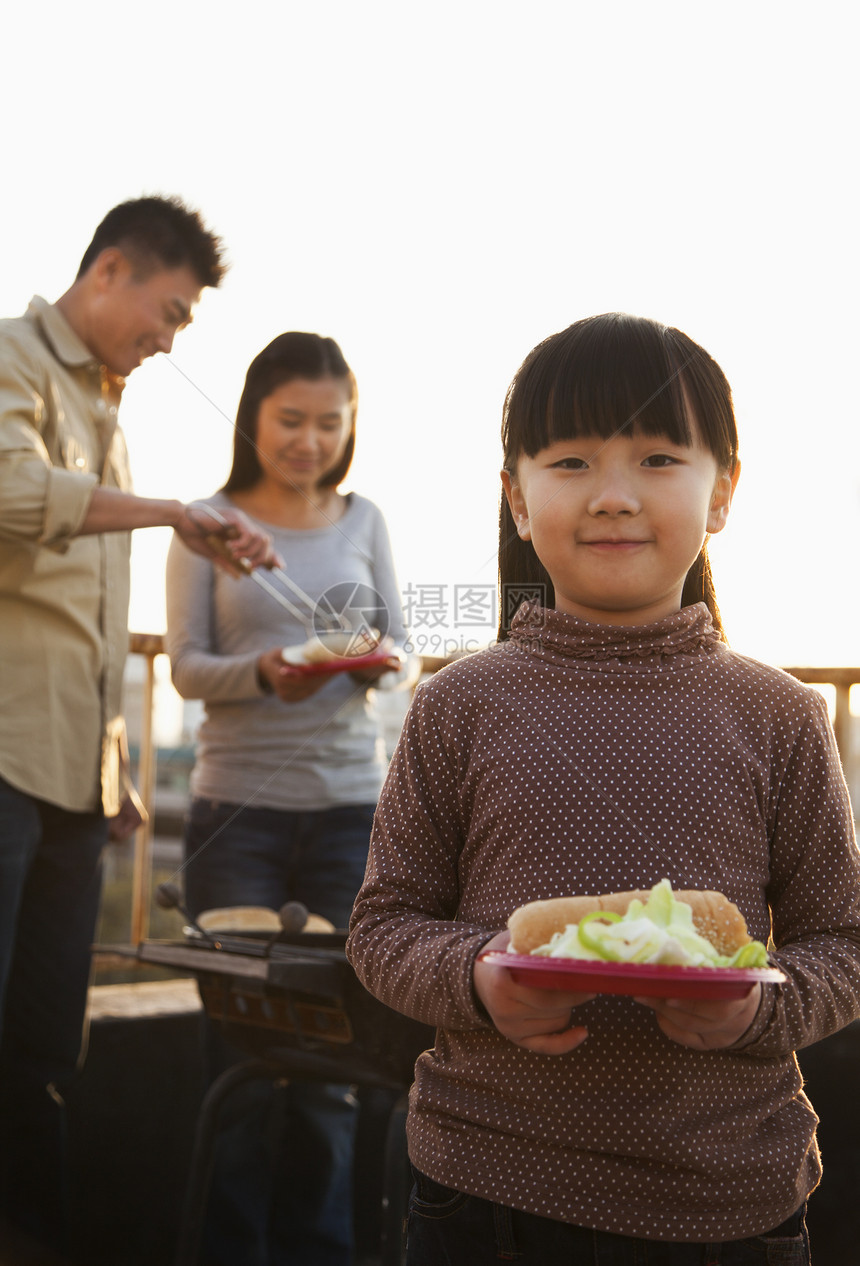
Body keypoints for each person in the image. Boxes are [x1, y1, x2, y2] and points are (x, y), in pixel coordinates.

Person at [347, 312, 860, 1265]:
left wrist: (762, 1008)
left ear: (723, 493)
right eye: (572, 462)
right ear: (515, 496)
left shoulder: (780, 714)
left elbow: (843, 939)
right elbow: (384, 927)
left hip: (729, 1206)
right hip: (486, 1191)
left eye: (660, 459)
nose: (615, 497)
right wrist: (478, 980)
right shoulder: (456, 704)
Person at [0, 195, 276, 1263]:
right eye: (165, 314)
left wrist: (111, 763)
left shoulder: (108, 414)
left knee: (40, 1048)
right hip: (3, 762)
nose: (168, 340)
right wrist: (171, 512)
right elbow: (14, 493)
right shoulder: (15, 363)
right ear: (108, 270)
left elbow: (90, 620)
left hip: (68, 779)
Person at [165, 331, 414, 1266]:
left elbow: (406, 654)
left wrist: (372, 666)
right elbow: (187, 669)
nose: (309, 440)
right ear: (253, 420)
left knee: (335, 1065)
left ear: (350, 429)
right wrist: (267, 675)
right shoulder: (207, 522)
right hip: (238, 818)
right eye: (290, 420)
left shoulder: (367, 519)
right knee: (239, 1055)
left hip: (352, 815)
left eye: (329, 423)